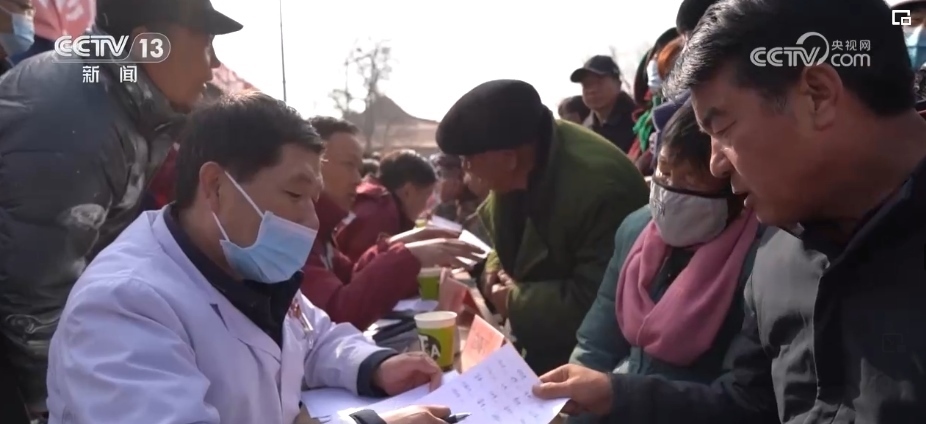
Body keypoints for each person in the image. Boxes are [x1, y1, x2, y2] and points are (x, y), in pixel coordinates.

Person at [534, 0, 926, 422]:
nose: (716, 164)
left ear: (818, 95)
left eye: (721, 128)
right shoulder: (777, 255)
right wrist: (618, 394)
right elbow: (749, 405)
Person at [45, 93, 452, 424]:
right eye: (294, 194)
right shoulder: (123, 304)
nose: (311, 220)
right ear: (215, 186)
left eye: (313, 199)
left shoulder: (247, 263)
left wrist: (375, 365)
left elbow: (314, 337)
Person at [0, 0, 240, 419]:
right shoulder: (77, 116)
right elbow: (31, 296)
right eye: (206, 46)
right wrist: (53, 404)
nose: (213, 66)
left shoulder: (117, 98)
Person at [567, 102, 763, 423]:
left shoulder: (758, 259)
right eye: (665, 171)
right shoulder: (636, 231)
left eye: (692, 180)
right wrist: (570, 402)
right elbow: (597, 341)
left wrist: (617, 395)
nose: (671, 191)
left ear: (732, 182)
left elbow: (742, 400)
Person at [436, 79, 649, 374]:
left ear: (508, 158)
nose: (465, 168)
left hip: (596, 364)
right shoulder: (522, 158)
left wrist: (514, 301)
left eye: (468, 159)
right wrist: (494, 270)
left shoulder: (600, 190)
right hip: (547, 341)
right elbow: (509, 235)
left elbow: (602, 302)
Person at [301, 116, 483, 330]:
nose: (358, 179)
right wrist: (408, 256)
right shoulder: (294, 232)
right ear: (308, 166)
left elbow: (353, 275)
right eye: (349, 164)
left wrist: (399, 244)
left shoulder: (321, 230)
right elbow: (338, 314)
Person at [336, 149, 438, 262]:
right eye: (427, 195)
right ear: (407, 192)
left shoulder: (369, 200)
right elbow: (369, 269)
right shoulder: (380, 215)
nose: (427, 205)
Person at [630, 27, 681, 175]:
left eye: (672, 56)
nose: (659, 61)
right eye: (657, 55)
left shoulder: (687, 112)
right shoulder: (644, 119)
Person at [570, 55, 637, 155]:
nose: (592, 90)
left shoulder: (638, 121)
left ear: (618, 84)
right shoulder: (585, 130)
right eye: (586, 84)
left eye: (598, 82)